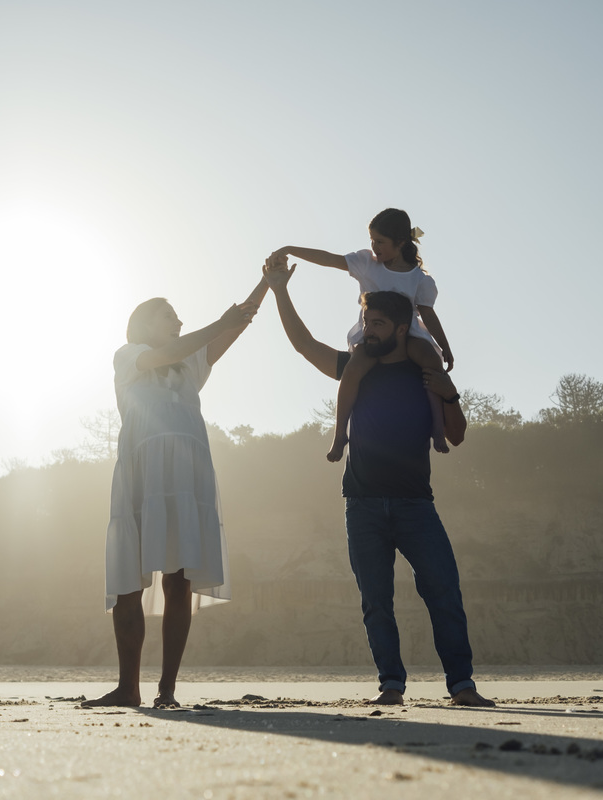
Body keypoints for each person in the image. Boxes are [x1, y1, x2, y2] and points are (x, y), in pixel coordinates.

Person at [261, 258, 493, 707]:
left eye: (379, 324)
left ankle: (462, 685)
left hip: (415, 505)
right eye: (366, 322)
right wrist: (280, 291)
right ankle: (391, 685)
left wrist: (449, 392)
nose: (368, 331)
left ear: (402, 329)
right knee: (376, 602)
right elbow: (304, 345)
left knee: (444, 593)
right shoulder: (356, 366)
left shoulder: (424, 373)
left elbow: (457, 436)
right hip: (363, 504)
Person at [83, 278, 266, 709]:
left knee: (180, 580)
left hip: (187, 475)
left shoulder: (192, 363)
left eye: (179, 317)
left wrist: (267, 283)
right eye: (169, 315)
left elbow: (237, 323)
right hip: (143, 471)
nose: (179, 322)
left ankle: (167, 690)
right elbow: (168, 353)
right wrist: (218, 322)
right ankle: (128, 688)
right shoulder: (129, 355)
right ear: (143, 324)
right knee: (129, 579)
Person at [272, 208, 454, 462]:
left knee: (431, 364)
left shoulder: (418, 279)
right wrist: (291, 249)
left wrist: (444, 347)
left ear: (401, 242)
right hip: (372, 336)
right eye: (372, 240)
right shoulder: (367, 263)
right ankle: (339, 435)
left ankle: (437, 430)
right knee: (352, 370)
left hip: (407, 334)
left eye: (380, 242)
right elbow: (329, 259)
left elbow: (428, 315)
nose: (374, 247)